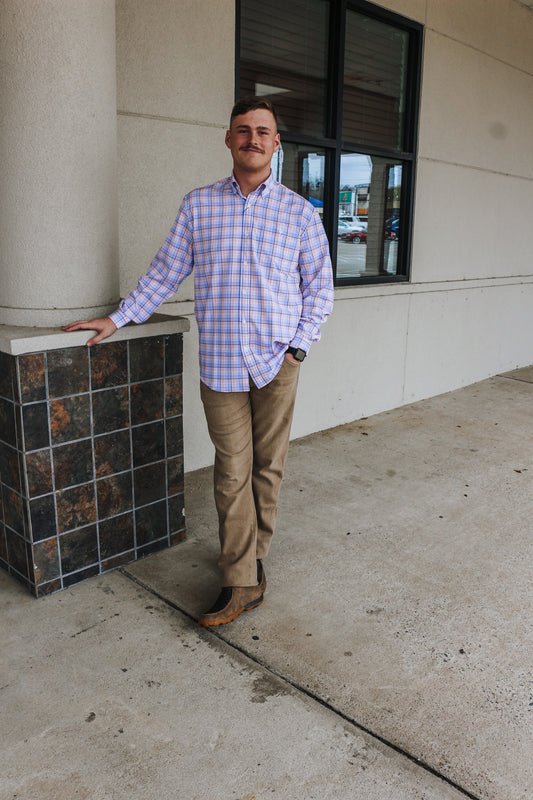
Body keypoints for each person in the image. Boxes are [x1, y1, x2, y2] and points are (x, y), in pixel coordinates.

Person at [63, 97, 334, 627]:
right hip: (222, 367)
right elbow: (165, 273)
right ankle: (242, 582)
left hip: (279, 362)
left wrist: (299, 347)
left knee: (267, 468)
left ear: (276, 143)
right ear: (228, 140)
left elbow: (319, 289)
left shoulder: (300, 213)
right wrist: (116, 320)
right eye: (242, 130)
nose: (252, 138)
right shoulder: (199, 205)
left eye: (263, 131)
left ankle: (253, 554)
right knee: (231, 471)